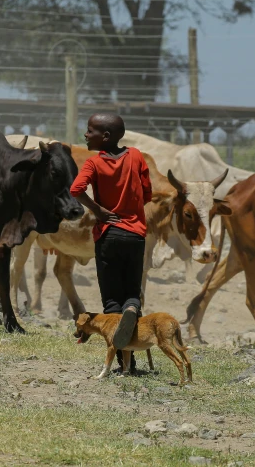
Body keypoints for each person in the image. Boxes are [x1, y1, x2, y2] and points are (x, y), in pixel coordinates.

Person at [69, 113, 152, 373]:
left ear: (105, 136)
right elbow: (147, 193)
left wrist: (99, 211)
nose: (85, 135)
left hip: (107, 235)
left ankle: (125, 364)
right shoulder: (137, 156)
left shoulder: (93, 163)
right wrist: (131, 211)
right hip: (135, 235)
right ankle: (132, 309)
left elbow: (75, 190)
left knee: (111, 302)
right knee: (132, 293)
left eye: (90, 130)